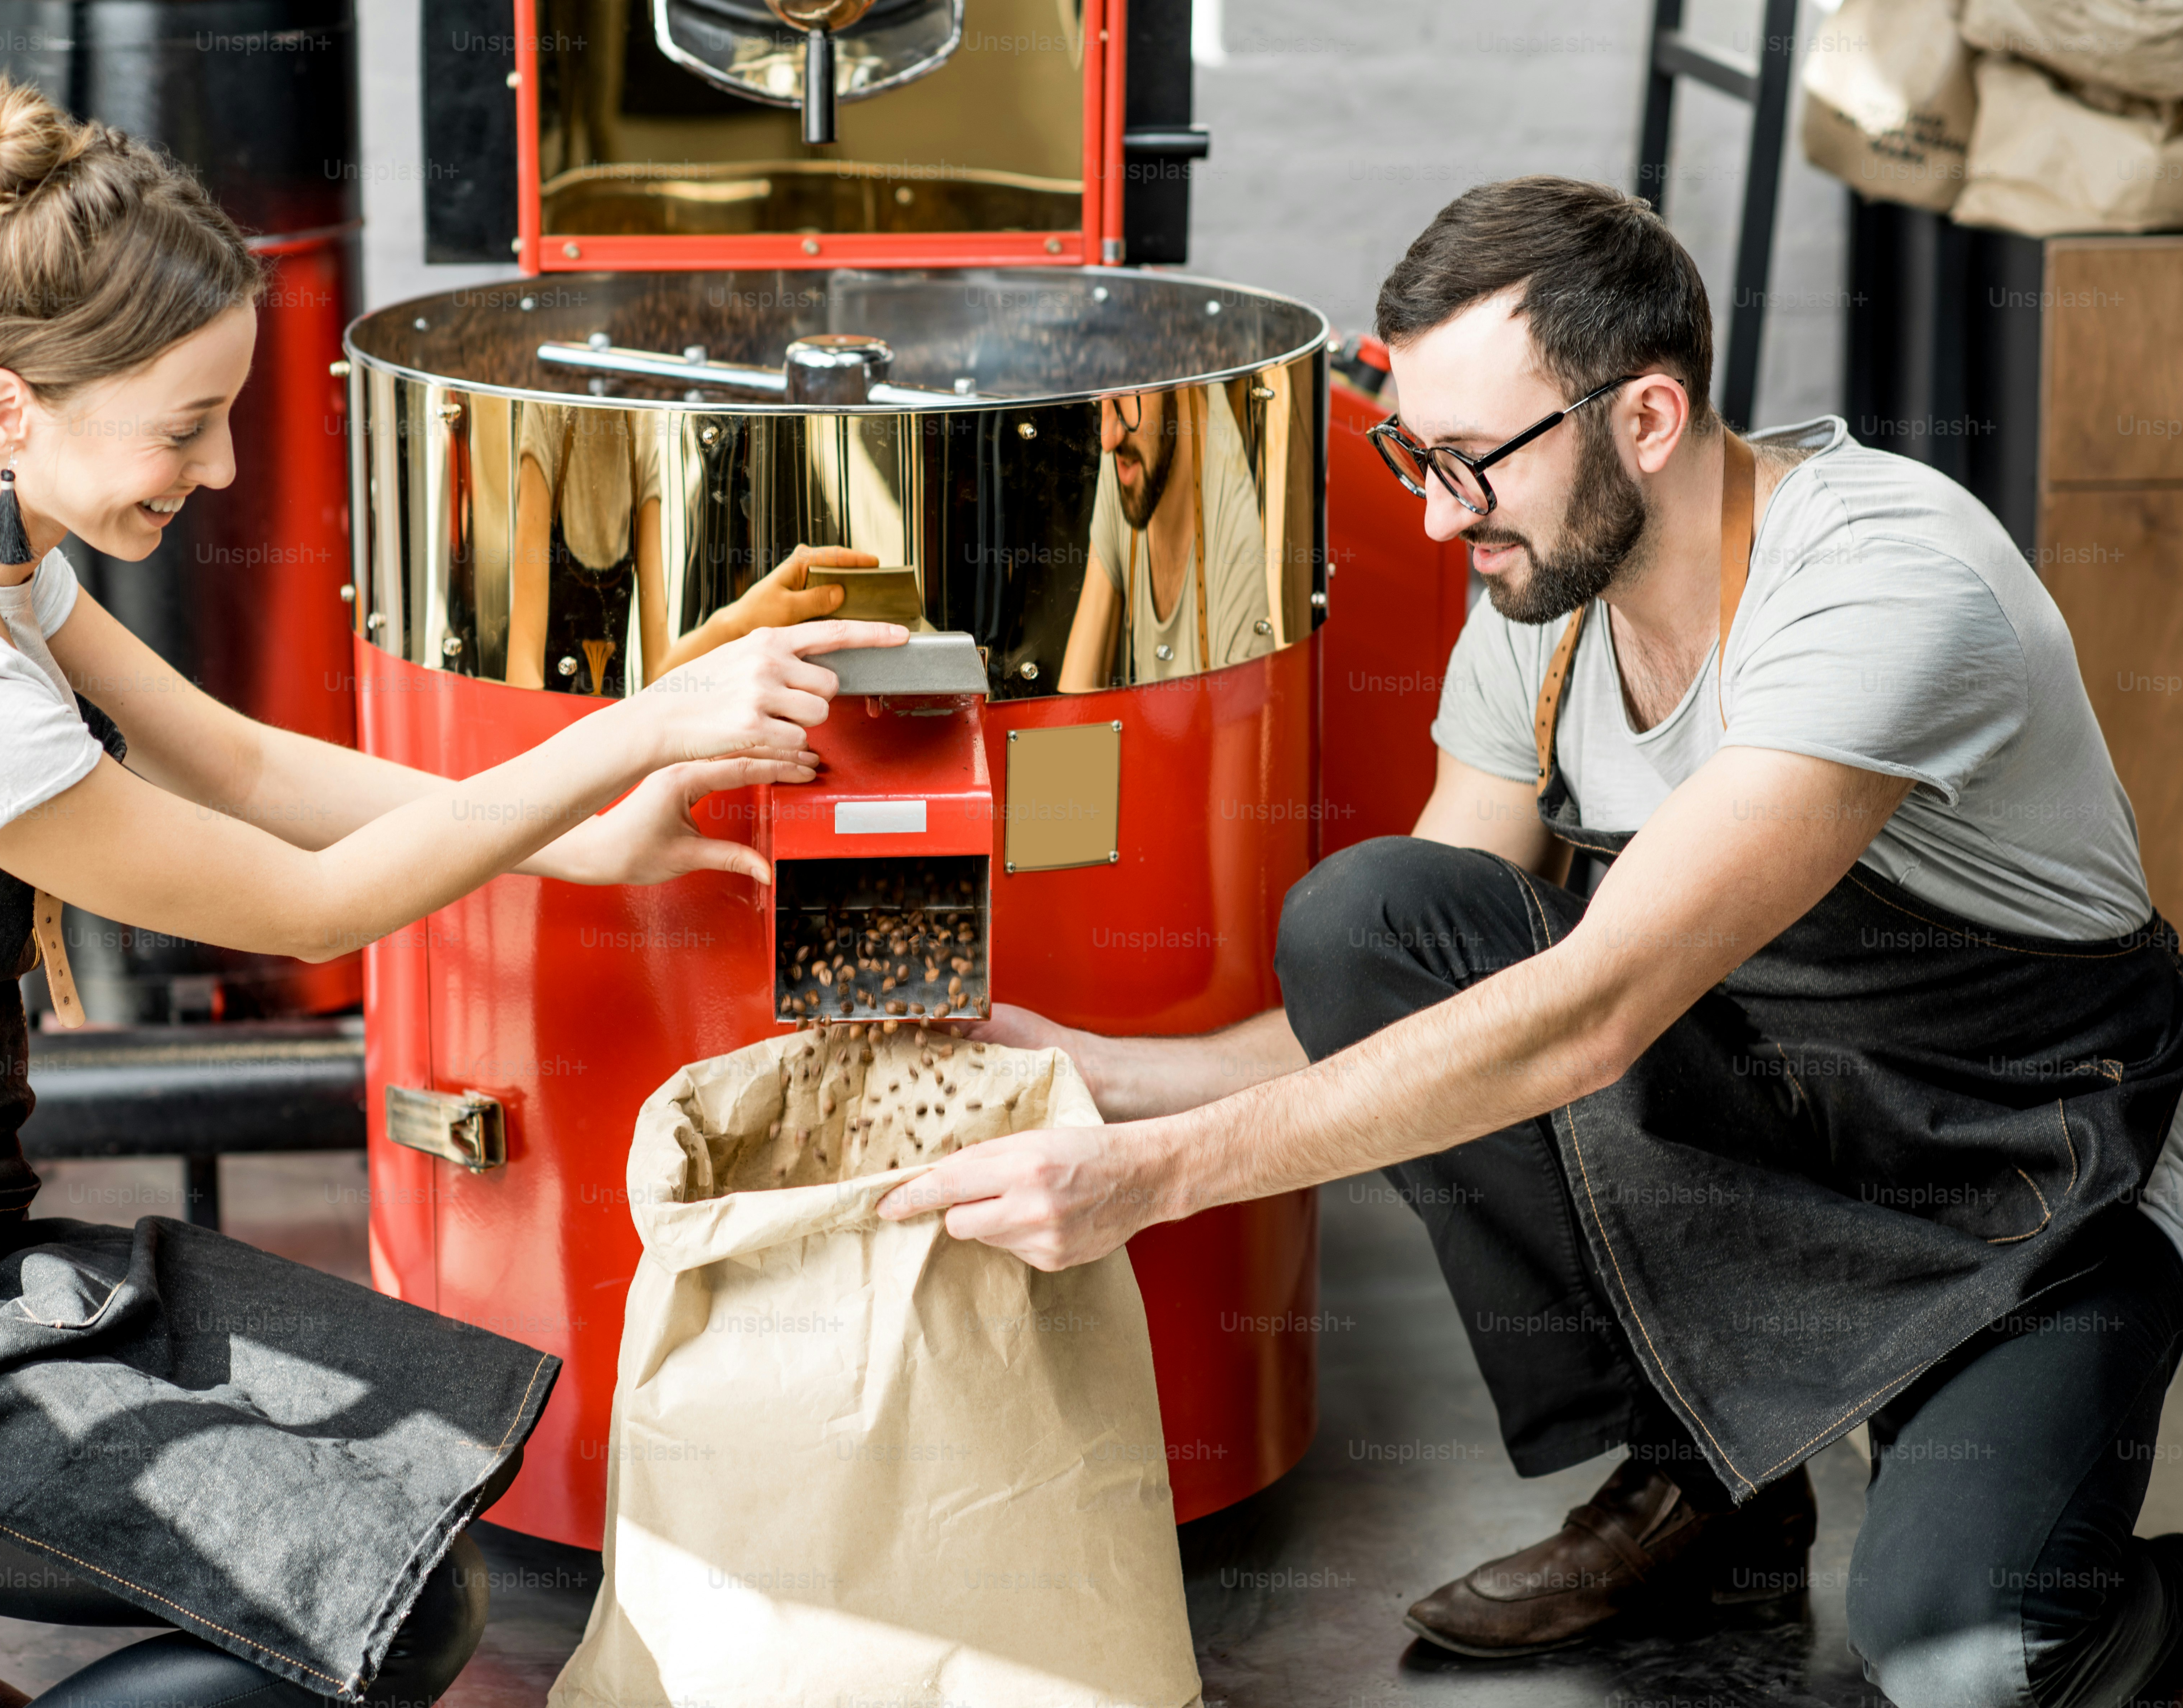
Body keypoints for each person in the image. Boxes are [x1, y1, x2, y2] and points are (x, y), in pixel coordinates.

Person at [0, 79, 900, 1708]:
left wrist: (596, 829)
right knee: (389, 1618)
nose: (223, 468)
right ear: (9, 406)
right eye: (183, 425)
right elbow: (309, 910)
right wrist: (636, 730)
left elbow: (240, 767)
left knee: (403, 1510)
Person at [887, 176, 2183, 1708]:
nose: (1434, 516)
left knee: (1966, 1662)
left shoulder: (1886, 587)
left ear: (1645, 417)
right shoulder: (1537, 604)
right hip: (1771, 1141)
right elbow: (1401, 985)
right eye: (1408, 455)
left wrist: (1150, 1186)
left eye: (1465, 463)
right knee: (1370, 914)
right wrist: (1116, 1079)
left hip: (2025, 1196)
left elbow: (1584, 1016)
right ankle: (1705, 1490)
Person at [509, 401, 877, 695]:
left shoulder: (638, 429)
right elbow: (522, 669)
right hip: (549, 731)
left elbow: (659, 673)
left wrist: (747, 619)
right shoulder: (548, 411)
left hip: (611, 729)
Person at [1058, 382, 1273, 690]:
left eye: (1124, 392)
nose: (1107, 438)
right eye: (1100, 391)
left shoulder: (1237, 514)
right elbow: (1075, 708)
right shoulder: (1128, 454)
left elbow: (1238, 732)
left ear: (1182, 370)